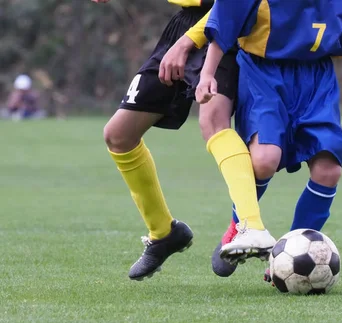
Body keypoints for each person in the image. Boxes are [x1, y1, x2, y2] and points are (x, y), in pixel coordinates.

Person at [92, 0, 274, 281]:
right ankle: (164, 233)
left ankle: (250, 225)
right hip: (182, 26)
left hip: (225, 29)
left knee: (213, 121)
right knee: (119, 135)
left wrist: (188, 43)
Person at [196, 0, 342, 279]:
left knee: (329, 171)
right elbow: (225, 19)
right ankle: (241, 224)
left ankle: (285, 259)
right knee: (265, 160)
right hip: (264, 72)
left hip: (318, 78)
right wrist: (207, 73)